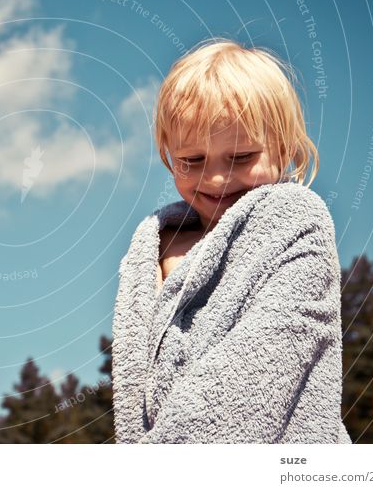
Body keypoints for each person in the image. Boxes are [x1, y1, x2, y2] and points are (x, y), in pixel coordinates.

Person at [112, 37, 352, 443]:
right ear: (169, 155)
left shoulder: (296, 223)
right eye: (193, 160)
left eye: (241, 158)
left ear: (284, 147)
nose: (217, 178)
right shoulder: (154, 248)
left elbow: (254, 378)